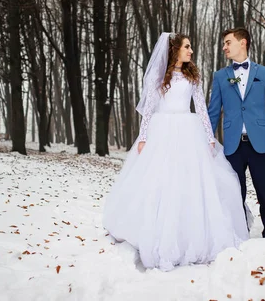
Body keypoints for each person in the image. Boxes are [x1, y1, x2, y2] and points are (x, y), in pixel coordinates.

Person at [103, 32, 249, 271]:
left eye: (191, 47)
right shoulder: (158, 77)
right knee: (160, 181)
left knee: (190, 182)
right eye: (187, 47)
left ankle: (190, 234)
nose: (191, 51)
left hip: (188, 131)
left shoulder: (193, 77)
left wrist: (209, 137)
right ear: (175, 50)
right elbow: (148, 110)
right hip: (162, 130)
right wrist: (144, 136)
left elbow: (201, 107)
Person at [208, 27, 265, 238]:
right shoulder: (220, 76)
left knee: (264, 190)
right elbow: (213, 112)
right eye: (224, 43)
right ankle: (239, 233)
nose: (224, 47)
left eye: (228, 42)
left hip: (259, 143)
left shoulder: (264, 73)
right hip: (233, 145)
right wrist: (206, 139)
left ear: (242, 43)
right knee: (235, 192)